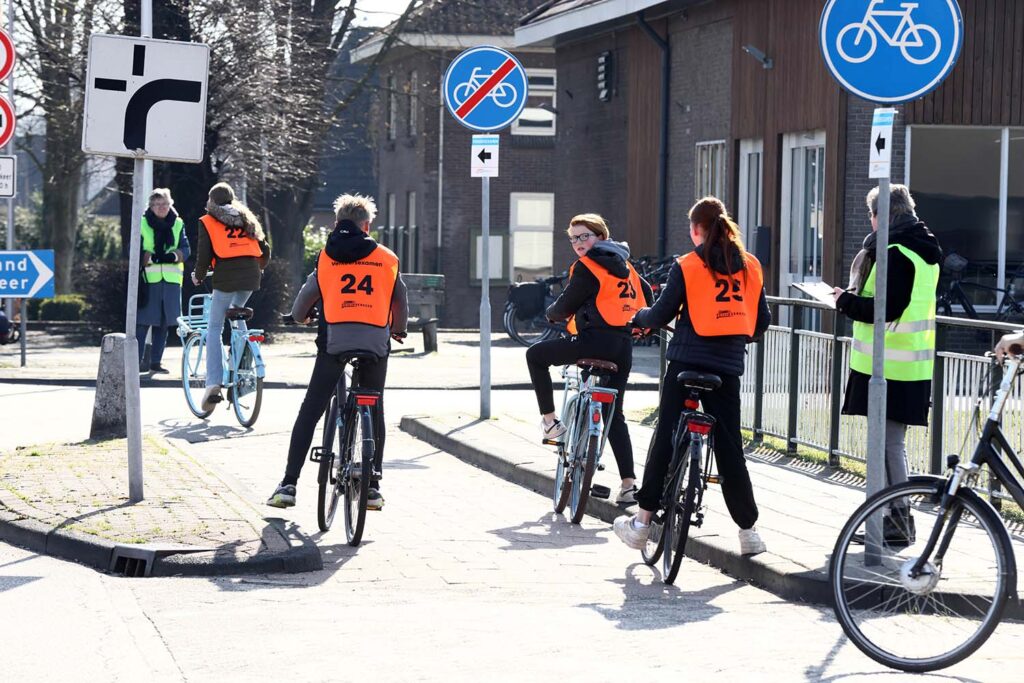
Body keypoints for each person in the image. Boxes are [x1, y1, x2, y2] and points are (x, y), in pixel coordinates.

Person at [613, 196, 770, 556]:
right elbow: (761, 322)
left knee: (666, 438)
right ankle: (749, 534)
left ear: (696, 229)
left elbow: (660, 314)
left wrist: (639, 319)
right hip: (727, 369)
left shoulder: (688, 265)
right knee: (730, 448)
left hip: (686, 365)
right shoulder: (751, 266)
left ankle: (641, 524)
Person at [267, 194, 408, 511]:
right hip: (375, 343)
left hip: (334, 343)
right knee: (375, 405)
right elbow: (400, 299)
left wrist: (302, 318)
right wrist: (398, 329)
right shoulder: (388, 259)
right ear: (367, 225)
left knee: (312, 408)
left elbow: (304, 301)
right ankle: (372, 487)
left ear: (336, 224)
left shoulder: (326, 257)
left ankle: (289, 484)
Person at [832, 184, 942, 545]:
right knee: (891, 444)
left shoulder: (895, 252)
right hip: (909, 364)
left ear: (885, 214)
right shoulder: (924, 250)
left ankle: (898, 522)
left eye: (871, 213)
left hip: (889, 366)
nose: (870, 220)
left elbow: (885, 309)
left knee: (889, 446)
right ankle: (894, 520)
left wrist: (843, 301)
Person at [526, 213, 652, 505]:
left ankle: (550, 422)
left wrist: (551, 314)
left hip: (591, 342)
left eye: (584, 236)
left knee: (536, 355)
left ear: (601, 238)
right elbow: (647, 297)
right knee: (614, 414)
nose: (578, 243)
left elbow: (565, 305)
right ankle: (629, 485)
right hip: (622, 348)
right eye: (573, 238)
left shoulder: (587, 267)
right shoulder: (628, 268)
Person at [192, 182, 271, 412]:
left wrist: (198, 276)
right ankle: (242, 365)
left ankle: (213, 382)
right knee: (237, 313)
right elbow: (264, 249)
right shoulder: (246, 218)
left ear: (211, 201)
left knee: (214, 327)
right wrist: (260, 267)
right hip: (251, 277)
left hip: (225, 277)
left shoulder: (208, 221)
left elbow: (204, 254)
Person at [137, 188, 190, 373]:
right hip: (149, 281)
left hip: (171, 282)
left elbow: (186, 248)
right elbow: (133, 249)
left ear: (170, 205)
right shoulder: (141, 223)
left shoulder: (178, 223)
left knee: (164, 323)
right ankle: (135, 363)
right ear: (151, 206)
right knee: (143, 322)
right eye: (158, 204)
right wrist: (148, 257)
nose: (162, 207)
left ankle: (155, 363)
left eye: (165, 204)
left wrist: (174, 256)